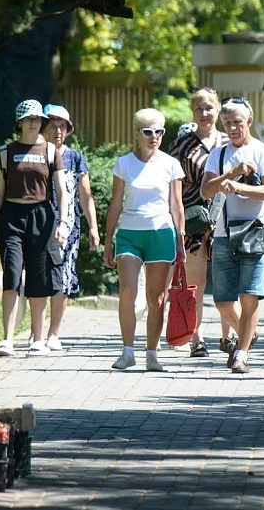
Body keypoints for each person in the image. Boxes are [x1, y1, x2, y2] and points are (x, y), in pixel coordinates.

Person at [103, 108, 186, 372]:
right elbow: (115, 204)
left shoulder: (171, 164)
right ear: (137, 133)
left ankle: (152, 352)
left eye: (159, 131)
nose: (154, 136)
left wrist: (181, 238)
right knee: (127, 291)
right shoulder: (124, 164)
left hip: (161, 233)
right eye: (148, 131)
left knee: (157, 298)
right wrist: (108, 241)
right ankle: (128, 351)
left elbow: (177, 204)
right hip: (129, 233)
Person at [201, 97, 264, 374]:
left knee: (250, 296)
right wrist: (232, 174)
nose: (233, 128)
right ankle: (248, 332)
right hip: (223, 233)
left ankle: (241, 353)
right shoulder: (218, 154)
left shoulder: (262, 151)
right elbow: (206, 191)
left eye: (238, 122)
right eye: (228, 123)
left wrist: (241, 188)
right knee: (222, 301)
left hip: (255, 232)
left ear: (250, 121)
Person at [0, 99, 69, 358]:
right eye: (29, 119)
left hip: (42, 217)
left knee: (39, 277)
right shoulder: (5, 152)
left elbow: (62, 192)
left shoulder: (49, 151)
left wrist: (64, 223)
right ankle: (7, 340)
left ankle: (38, 339)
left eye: (38, 119)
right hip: (11, 217)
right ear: (20, 123)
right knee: (11, 275)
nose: (35, 123)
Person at [167, 87, 236, 358]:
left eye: (209, 108)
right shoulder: (182, 144)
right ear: (192, 113)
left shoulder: (229, 141)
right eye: (199, 109)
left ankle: (227, 336)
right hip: (194, 220)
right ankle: (196, 338)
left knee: (226, 280)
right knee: (196, 283)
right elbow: (171, 183)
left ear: (218, 109)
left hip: (227, 219)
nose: (205, 113)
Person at [37, 104, 100, 351]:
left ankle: (54, 333)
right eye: (52, 125)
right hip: (39, 225)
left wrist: (94, 228)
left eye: (62, 126)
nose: (58, 130)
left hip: (68, 230)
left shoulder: (75, 158)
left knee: (62, 279)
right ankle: (37, 334)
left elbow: (86, 196)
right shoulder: (36, 154)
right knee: (38, 277)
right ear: (43, 128)